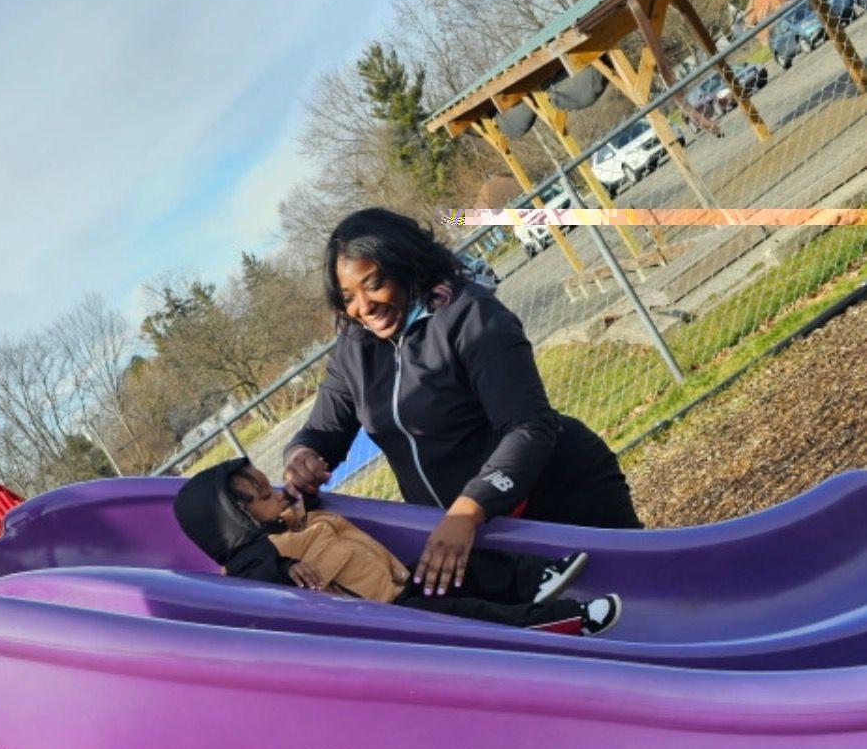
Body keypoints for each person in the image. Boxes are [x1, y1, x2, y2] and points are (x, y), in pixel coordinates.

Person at [283, 206, 641, 602]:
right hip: (472, 541)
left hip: (558, 501)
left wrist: (467, 511)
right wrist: (302, 453)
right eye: (349, 297)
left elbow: (528, 427)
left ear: (406, 265)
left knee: (640, 613)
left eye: (374, 284)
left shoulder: (470, 314)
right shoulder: (355, 349)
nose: (364, 307)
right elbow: (325, 430)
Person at [173, 459, 623, 634]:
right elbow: (257, 586)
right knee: (470, 617)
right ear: (240, 521)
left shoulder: (290, 522)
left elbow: (304, 515)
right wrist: (287, 569)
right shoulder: (256, 560)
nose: (275, 493)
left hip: (402, 585)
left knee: (457, 564)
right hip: (397, 623)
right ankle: (563, 622)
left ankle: (534, 581)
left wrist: (299, 494)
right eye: (264, 496)